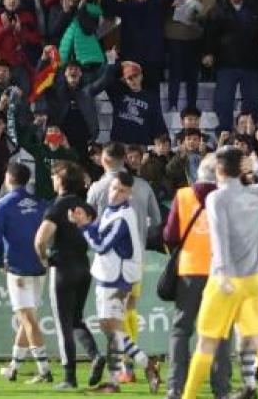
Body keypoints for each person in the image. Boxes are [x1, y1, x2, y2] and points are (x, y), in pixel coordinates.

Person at [178, 145, 258, 399]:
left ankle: (188, 396)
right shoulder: (257, 194)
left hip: (225, 279)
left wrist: (222, 272)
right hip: (255, 280)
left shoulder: (216, 198)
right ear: (241, 168)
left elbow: (219, 236)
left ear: (219, 169)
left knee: (206, 343)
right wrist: (257, 168)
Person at [71, 170, 163, 394]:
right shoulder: (112, 212)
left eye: (122, 191)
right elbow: (101, 235)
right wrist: (86, 225)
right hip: (110, 275)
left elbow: (101, 246)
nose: (115, 193)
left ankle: (137, 370)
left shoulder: (123, 216)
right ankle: (127, 374)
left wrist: (83, 226)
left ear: (129, 193)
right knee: (110, 328)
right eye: (114, 188)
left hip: (117, 278)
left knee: (111, 328)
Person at [87, 141, 162, 378]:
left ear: (104, 160)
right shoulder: (142, 186)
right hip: (135, 260)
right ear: (125, 159)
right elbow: (157, 220)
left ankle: (125, 368)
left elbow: (90, 223)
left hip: (110, 263)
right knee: (129, 309)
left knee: (112, 319)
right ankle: (130, 365)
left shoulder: (99, 188)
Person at [163, 153, 233, 399]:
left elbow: (170, 235)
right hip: (221, 271)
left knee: (181, 330)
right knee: (221, 332)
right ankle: (222, 389)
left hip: (190, 270)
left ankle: (175, 387)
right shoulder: (226, 198)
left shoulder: (183, 196)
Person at [34, 161, 104, 389]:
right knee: (76, 319)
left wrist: (44, 258)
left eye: (55, 176)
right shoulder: (87, 208)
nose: (52, 179)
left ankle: (69, 377)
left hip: (62, 267)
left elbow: (40, 240)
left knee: (63, 323)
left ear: (61, 181)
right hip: (84, 267)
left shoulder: (56, 208)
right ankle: (95, 355)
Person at [0, 162, 53, 383]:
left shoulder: (2, 205)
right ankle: (14, 367)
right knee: (29, 318)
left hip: (17, 267)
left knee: (27, 319)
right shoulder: (41, 204)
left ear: (8, 177)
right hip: (40, 266)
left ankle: (44, 370)